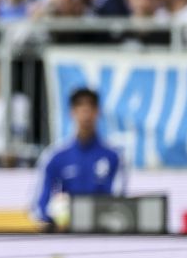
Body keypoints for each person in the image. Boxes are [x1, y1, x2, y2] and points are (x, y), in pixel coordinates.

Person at [31, 87, 124, 231]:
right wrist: (50, 220)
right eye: (80, 107)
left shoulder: (113, 156)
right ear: (72, 112)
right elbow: (39, 203)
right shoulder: (55, 156)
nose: (86, 113)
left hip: (102, 233)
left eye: (91, 107)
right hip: (65, 232)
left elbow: (121, 200)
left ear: (97, 112)